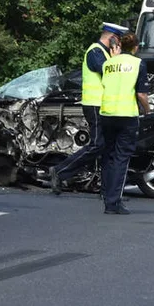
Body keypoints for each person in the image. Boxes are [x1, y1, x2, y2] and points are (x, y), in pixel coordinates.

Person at [50, 22, 127, 194]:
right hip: (94, 105)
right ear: (112, 38)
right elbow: (109, 73)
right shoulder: (95, 52)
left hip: (104, 106)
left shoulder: (105, 54)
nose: (120, 44)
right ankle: (60, 171)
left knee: (107, 147)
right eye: (119, 39)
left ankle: (108, 190)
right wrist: (116, 60)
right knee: (97, 145)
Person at [98, 32, 151, 215]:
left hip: (107, 114)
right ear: (135, 47)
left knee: (110, 157)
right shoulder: (138, 64)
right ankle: (114, 203)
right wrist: (148, 110)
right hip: (126, 116)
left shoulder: (108, 64)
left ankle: (107, 196)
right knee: (122, 159)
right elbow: (141, 94)